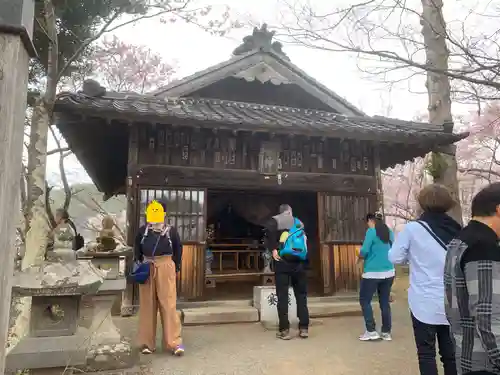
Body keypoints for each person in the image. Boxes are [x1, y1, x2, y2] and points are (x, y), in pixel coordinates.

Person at [389, 184, 461, 375]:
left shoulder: (413, 229)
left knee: (426, 353)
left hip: (423, 301)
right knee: (451, 354)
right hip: (452, 300)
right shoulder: (457, 229)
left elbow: (395, 257)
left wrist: (412, 255)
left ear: (422, 203)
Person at [445, 182, 500, 375]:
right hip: (487, 363)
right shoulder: (484, 246)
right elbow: (487, 318)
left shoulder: (460, 240)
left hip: (466, 353)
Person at [134, 200, 184, 356]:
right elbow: (137, 250)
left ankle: (174, 343)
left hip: (166, 265)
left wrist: (175, 268)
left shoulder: (171, 231)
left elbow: (178, 250)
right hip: (147, 267)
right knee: (147, 306)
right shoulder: (143, 231)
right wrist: (139, 265)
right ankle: (146, 343)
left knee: (169, 305)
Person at [264, 204, 309, 340]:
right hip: (299, 263)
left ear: (281, 212)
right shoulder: (299, 222)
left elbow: (268, 235)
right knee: (301, 295)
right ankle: (304, 328)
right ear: (289, 211)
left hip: (282, 262)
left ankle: (285, 330)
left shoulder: (274, 221)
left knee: (282, 295)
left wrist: (273, 249)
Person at [357, 212, 395, 341]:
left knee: (365, 300)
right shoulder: (389, 232)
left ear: (370, 221)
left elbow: (365, 250)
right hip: (389, 272)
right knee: (384, 302)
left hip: (372, 272)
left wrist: (359, 257)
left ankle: (371, 331)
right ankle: (386, 332)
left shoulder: (371, 231)